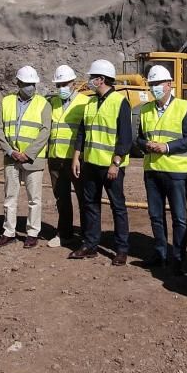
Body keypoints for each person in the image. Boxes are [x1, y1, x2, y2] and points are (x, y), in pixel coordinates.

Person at [69, 59, 133, 265]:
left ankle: (121, 249)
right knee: (90, 205)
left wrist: (115, 163)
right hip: (91, 165)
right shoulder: (91, 102)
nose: (89, 81)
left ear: (101, 79)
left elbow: (125, 137)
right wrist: (77, 158)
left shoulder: (120, 102)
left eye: (92, 78)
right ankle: (90, 245)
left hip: (110, 167)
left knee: (118, 207)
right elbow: (82, 132)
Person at [137, 65, 187, 275]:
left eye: (157, 84)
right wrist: (146, 145)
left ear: (169, 84)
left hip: (175, 172)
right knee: (155, 215)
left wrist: (166, 147)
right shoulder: (145, 109)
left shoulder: (183, 106)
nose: (154, 88)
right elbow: (140, 138)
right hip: (152, 170)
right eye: (151, 84)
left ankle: (178, 258)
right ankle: (160, 253)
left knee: (179, 218)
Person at [0, 66, 51, 248]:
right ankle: (8, 231)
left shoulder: (43, 103)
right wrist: (11, 151)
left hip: (32, 160)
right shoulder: (6, 102)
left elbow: (45, 131)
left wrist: (28, 153)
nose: (30, 87)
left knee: (34, 199)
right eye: (26, 84)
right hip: (11, 158)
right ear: (18, 83)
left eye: (32, 84)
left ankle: (33, 232)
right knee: (10, 197)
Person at [46, 65, 90, 247]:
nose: (61, 87)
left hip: (76, 160)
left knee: (83, 198)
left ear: (73, 83)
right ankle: (64, 233)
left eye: (65, 83)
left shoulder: (84, 102)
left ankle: (88, 236)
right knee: (62, 198)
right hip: (56, 158)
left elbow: (87, 132)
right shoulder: (53, 103)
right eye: (59, 84)